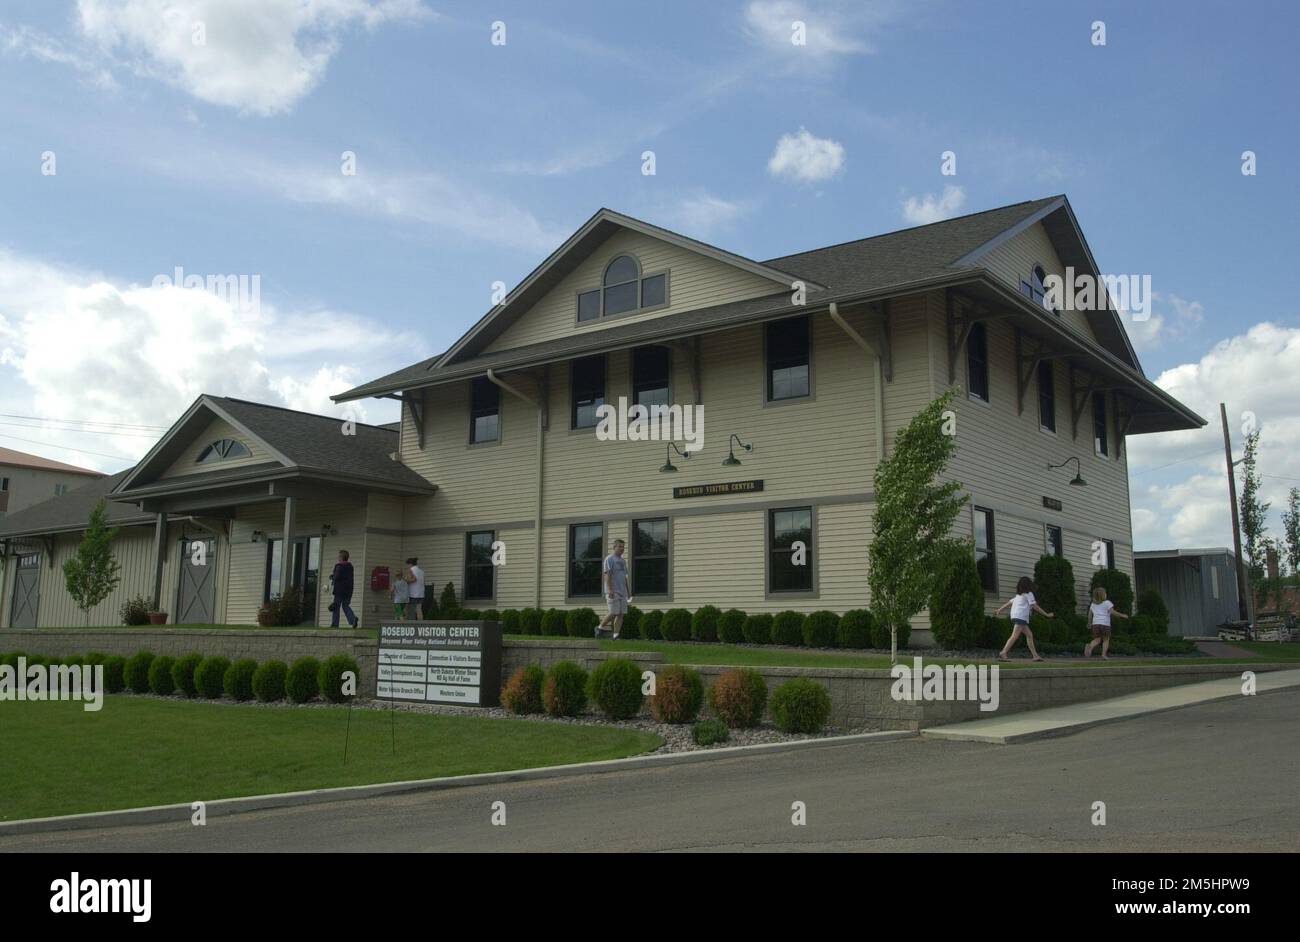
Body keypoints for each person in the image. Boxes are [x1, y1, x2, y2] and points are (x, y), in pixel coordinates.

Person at [994, 576, 1053, 661]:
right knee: (1014, 636)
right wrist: (1046, 614)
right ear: (1029, 585)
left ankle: (1035, 656)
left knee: (1029, 635)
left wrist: (999, 610)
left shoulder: (1018, 596)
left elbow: (1009, 603)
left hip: (1015, 616)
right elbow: (1034, 606)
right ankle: (1003, 652)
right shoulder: (1029, 594)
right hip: (1021, 617)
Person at [595, 539, 629, 640]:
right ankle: (600, 628)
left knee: (621, 614)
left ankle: (616, 635)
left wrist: (629, 592)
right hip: (613, 591)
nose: (622, 549)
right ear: (614, 547)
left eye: (623, 547)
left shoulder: (623, 561)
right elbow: (607, 575)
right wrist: (610, 590)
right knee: (614, 612)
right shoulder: (609, 559)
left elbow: (625, 577)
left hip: (623, 592)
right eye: (620, 546)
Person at [1084, 586, 1128, 659]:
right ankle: (1103, 654)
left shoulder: (1093, 604)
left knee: (1097, 639)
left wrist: (1089, 623)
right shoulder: (1107, 603)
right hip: (1105, 624)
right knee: (1106, 640)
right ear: (1104, 595)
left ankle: (1090, 646)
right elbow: (1112, 612)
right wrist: (1122, 615)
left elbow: (1089, 615)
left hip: (1095, 624)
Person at [328, 549, 359, 629]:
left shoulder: (339, 566)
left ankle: (335, 624)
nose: (338, 557)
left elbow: (337, 576)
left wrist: (332, 577)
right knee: (345, 606)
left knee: (336, 606)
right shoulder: (350, 567)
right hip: (348, 590)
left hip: (339, 590)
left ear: (341, 557)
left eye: (339, 556)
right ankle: (353, 619)